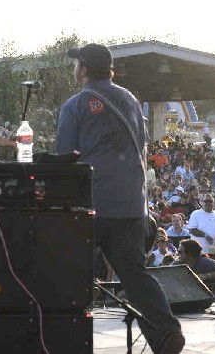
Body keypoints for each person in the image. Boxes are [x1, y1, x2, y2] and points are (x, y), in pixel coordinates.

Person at [59, 43, 183, 353]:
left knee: (69, 272)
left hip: (90, 204)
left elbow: (64, 160)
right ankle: (166, 333)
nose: (75, 68)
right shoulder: (130, 100)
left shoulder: (75, 106)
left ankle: (64, 339)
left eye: (77, 64)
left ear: (84, 69)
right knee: (135, 276)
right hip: (130, 205)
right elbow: (140, 148)